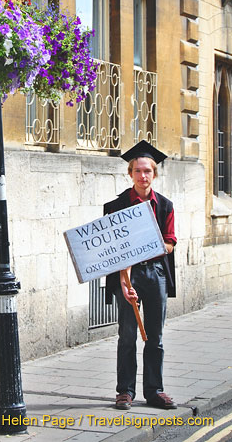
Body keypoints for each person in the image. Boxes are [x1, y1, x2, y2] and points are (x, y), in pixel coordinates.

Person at [104, 140, 177, 411]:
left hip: (155, 272)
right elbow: (114, 249)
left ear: (154, 174)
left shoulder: (165, 206)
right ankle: (125, 392)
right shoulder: (116, 206)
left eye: (147, 171)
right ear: (130, 173)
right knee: (127, 336)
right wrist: (124, 283)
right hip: (127, 276)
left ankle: (154, 391)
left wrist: (152, 242)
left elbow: (170, 243)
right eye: (138, 171)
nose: (142, 176)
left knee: (155, 336)